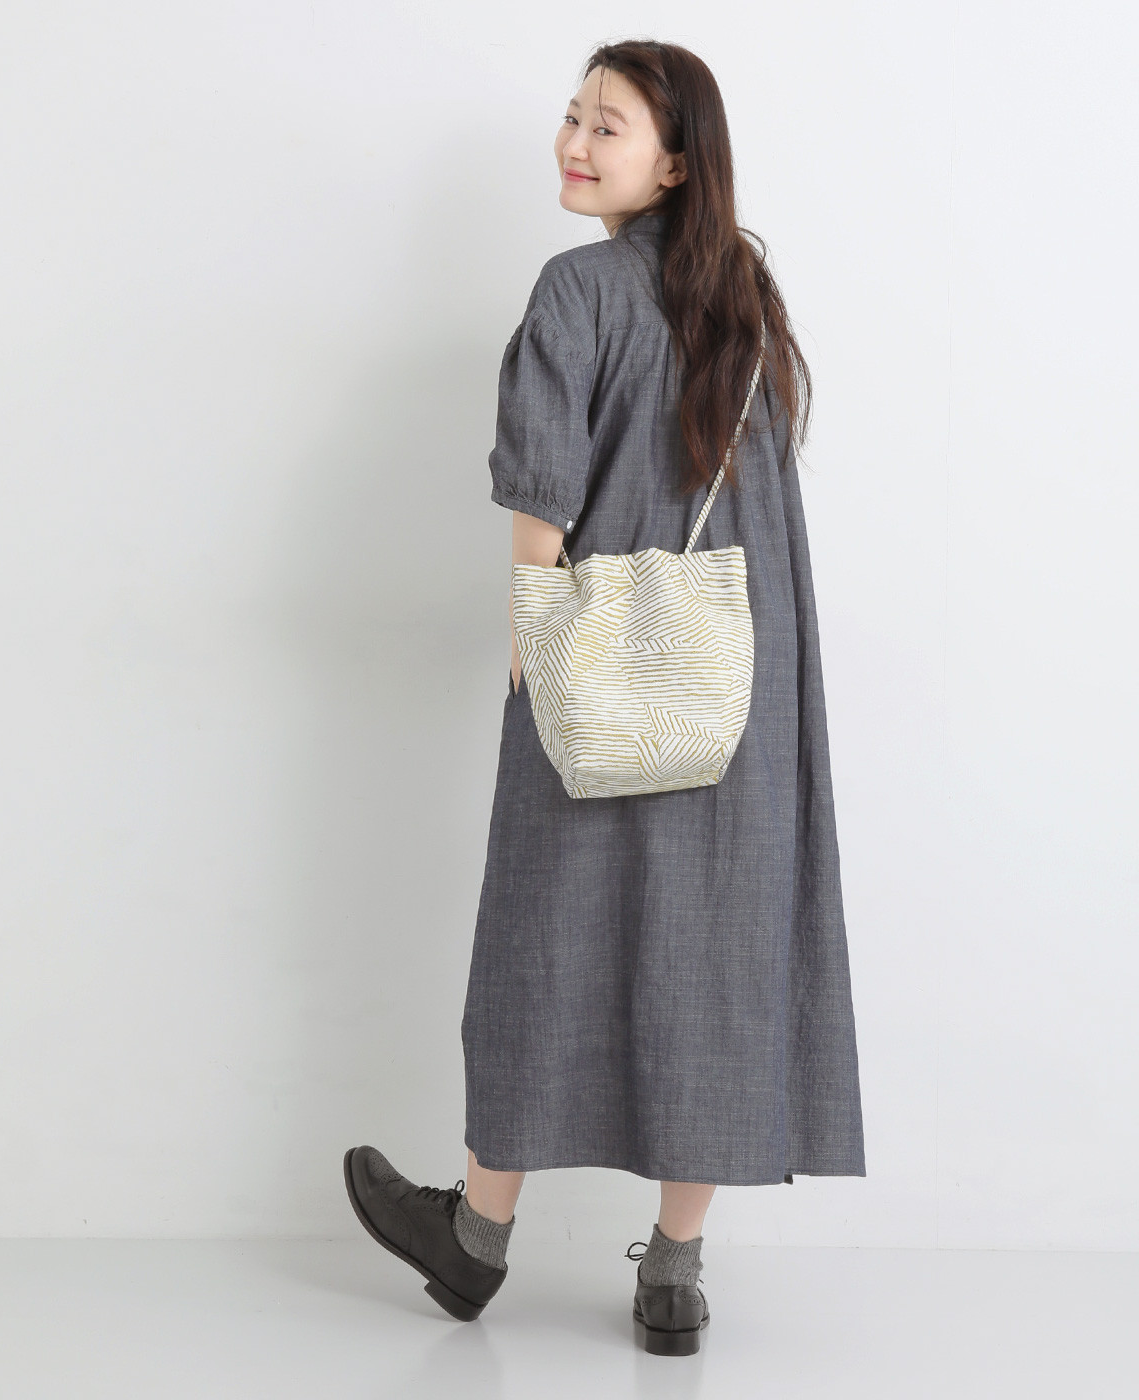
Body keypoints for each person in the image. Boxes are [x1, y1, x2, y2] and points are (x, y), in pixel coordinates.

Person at [345, 39, 866, 1356]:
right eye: (572, 117)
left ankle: (476, 1240)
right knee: (715, 945)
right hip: (740, 670)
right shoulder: (745, 295)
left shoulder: (577, 287)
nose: (573, 144)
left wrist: (538, 627)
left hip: (604, 655)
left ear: (676, 162)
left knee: (545, 926)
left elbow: (541, 484)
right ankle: (675, 1274)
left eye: (607, 125)